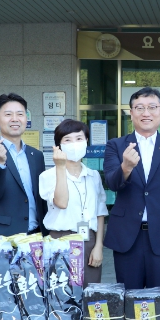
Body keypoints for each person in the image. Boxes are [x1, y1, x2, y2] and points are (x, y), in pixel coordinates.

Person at [103, 87, 160, 289]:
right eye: (140, 108)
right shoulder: (116, 146)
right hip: (127, 237)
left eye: (152, 107)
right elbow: (112, 183)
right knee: (128, 297)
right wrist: (125, 167)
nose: (146, 113)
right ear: (131, 113)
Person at [39, 119, 108, 286]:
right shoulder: (48, 176)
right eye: (67, 140)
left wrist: (99, 246)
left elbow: (100, 212)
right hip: (60, 239)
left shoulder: (94, 176)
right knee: (61, 293)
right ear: (59, 146)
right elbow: (61, 202)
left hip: (89, 240)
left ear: (86, 141)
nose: (74, 144)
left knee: (90, 292)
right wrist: (60, 167)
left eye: (79, 138)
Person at [0, 93, 47, 236]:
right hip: (4, 237)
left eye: (20, 114)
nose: (15, 119)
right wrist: (0, 163)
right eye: (8, 114)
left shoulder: (37, 155)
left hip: (36, 236)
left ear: (26, 119)